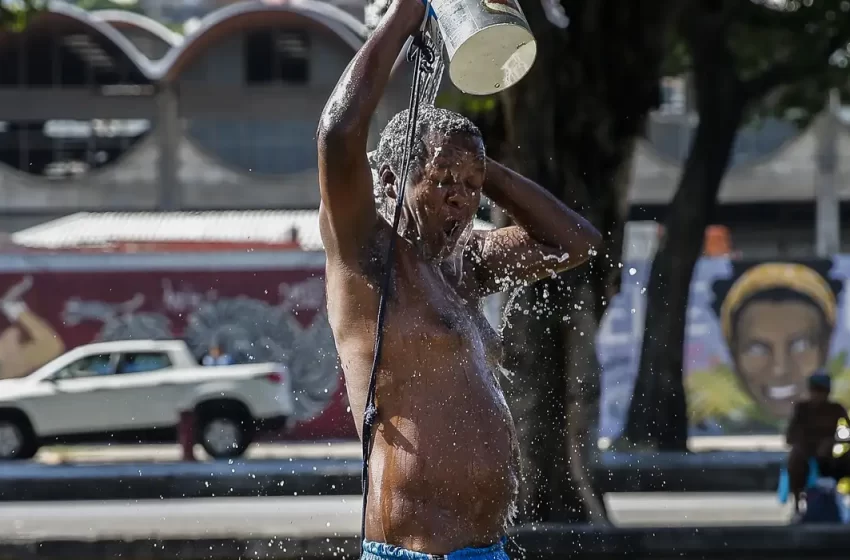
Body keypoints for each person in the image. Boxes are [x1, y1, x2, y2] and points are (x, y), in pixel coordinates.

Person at [317, 0, 602, 557]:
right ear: (395, 180)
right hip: (416, 553)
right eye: (444, 178)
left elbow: (577, 243)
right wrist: (405, 15)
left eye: (472, 186)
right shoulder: (367, 255)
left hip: (486, 548)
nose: (462, 197)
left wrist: (481, 165)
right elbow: (336, 136)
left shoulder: (464, 264)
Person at [785, 371, 850, 514]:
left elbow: (846, 433)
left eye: (822, 391)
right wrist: (805, 445)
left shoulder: (836, 409)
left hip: (831, 454)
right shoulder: (802, 409)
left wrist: (832, 442)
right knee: (795, 459)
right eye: (816, 390)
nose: (818, 395)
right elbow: (790, 437)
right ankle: (797, 503)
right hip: (806, 452)